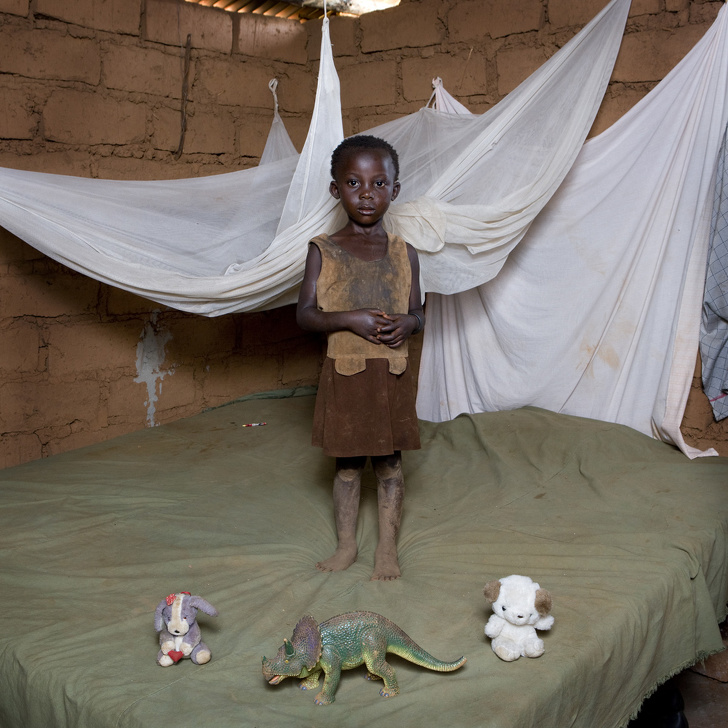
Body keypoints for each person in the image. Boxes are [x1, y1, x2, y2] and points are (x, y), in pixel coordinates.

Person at [296, 135, 425, 581]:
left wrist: (409, 323)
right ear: (336, 189)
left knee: (390, 464)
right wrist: (349, 319)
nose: (366, 193)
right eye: (354, 182)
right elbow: (305, 315)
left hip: (391, 376)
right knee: (348, 466)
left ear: (395, 189)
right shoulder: (323, 250)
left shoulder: (405, 253)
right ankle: (346, 545)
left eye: (378, 183)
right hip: (347, 376)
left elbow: (419, 312)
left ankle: (387, 547)